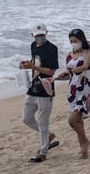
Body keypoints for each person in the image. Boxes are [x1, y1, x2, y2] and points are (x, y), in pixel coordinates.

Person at [19, 23, 60, 163]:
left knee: (43, 122)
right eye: (37, 36)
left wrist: (33, 66)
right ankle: (48, 136)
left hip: (46, 89)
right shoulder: (33, 46)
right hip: (33, 87)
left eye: (42, 35)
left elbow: (51, 71)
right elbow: (35, 62)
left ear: (46, 33)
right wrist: (26, 64)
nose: (40, 38)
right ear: (33, 35)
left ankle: (43, 152)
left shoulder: (52, 49)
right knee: (26, 118)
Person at [54, 28, 90, 159]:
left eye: (75, 41)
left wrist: (70, 71)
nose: (73, 43)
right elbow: (70, 75)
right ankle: (84, 151)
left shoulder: (88, 52)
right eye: (71, 41)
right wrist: (58, 77)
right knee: (79, 121)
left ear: (81, 40)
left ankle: (86, 142)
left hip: (84, 88)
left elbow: (84, 67)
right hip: (72, 90)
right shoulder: (68, 55)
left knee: (72, 121)